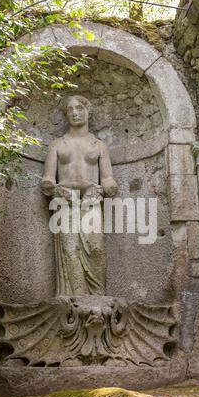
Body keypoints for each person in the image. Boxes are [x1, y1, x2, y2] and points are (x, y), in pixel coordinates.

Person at [41, 95, 118, 295]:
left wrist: (109, 186)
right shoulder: (58, 144)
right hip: (64, 200)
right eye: (70, 110)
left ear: (88, 111)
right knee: (70, 249)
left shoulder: (98, 145)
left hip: (91, 199)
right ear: (66, 115)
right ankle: (74, 297)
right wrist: (51, 185)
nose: (75, 113)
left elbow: (108, 177)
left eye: (79, 108)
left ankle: (97, 296)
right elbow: (48, 178)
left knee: (96, 247)